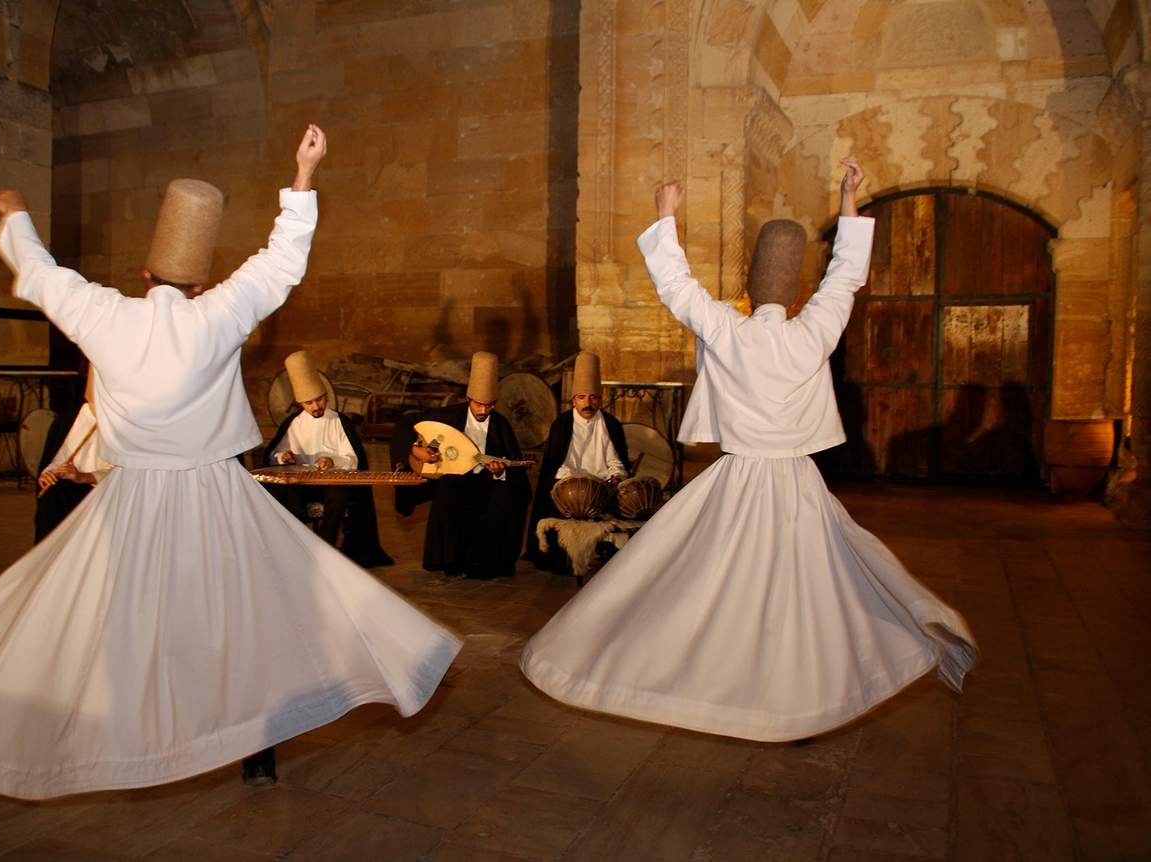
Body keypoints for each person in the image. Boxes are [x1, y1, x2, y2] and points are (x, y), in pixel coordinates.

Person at [0, 125, 461, 799]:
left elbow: (41, 275)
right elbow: (278, 263)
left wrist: (15, 215)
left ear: (145, 273)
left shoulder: (103, 314)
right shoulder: (218, 315)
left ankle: (122, 737)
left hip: (133, 504)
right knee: (247, 620)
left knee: (112, 623)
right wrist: (304, 173)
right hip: (216, 496)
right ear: (202, 277)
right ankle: (255, 751)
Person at [520, 158, 977, 742]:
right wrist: (846, 198)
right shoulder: (813, 330)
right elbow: (845, 278)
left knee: (700, 579)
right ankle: (797, 697)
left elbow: (678, 290)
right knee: (805, 585)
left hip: (736, 480)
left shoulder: (728, 330)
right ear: (792, 290)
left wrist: (666, 216)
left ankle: (705, 677)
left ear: (753, 285)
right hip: (796, 483)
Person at [390, 351, 532, 579]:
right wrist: (415, 449)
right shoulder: (450, 415)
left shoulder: (501, 425)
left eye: (489, 405)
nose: (484, 411)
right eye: (479, 405)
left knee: (507, 496)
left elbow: (514, 467)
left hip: (489, 481)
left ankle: (488, 564)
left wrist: (500, 473)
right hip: (457, 477)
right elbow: (405, 422)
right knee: (448, 489)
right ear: (468, 399)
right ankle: (451, 561)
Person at [261, 350, 393, 567]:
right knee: (278, 492)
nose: (316, 407)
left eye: (319, 400)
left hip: (331, 483)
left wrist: (332, 462)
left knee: (338, 494)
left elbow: (353, 460)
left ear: (326, 396)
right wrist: (282, 456)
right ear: (300, 404)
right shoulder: (293, 424)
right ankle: (292, 547)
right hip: (301, 485)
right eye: (309, 403)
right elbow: (273, 456)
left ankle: (324, 549)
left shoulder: (340, 422)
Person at [524, 351, 630, 570]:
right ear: (573, 399)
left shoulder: (610, 424)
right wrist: (576, 483)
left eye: (593, 397)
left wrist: (614, 476)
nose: (587, 403)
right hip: (568, 488)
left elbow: (616, 461)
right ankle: (560, 558)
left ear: (600, 399)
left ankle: (606, 554)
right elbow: (557, 464)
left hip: (603, 488)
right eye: (581, 397)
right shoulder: (562, 424)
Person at [33, 372, 110, 543]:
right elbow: (55, 457)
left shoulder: (124, 426)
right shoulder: (68, 418)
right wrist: (49, 473)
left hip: (100, 490)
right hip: (69, 486)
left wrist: (83, 477)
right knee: (52, 497)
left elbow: (121, 474)